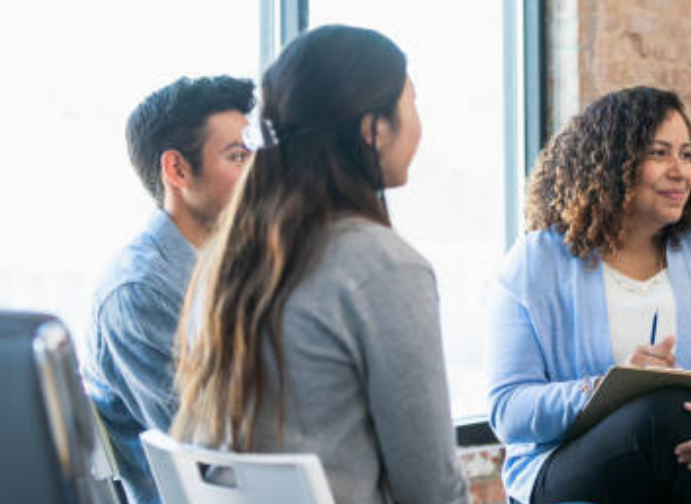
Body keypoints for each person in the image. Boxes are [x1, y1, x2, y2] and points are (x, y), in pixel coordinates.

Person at [171, 25, 469, 504]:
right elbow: (430, 489)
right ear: (373, 129)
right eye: (411, 101)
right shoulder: (384, 269)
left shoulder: (224, 263)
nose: (419, 125)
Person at [487, 86, 691, 504]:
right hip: (564, 470)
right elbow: (508, 412)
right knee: (663, 412)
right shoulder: (534, 264)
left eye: (687, 154)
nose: (682, 171)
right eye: (660, 153)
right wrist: (609, 388)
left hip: (685, 468)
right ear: (610, 163)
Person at [82, 75, 255, 504]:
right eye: (237, 156)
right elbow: (215, 459)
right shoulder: (141, 293)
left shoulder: (230, 267)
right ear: (177, 169)